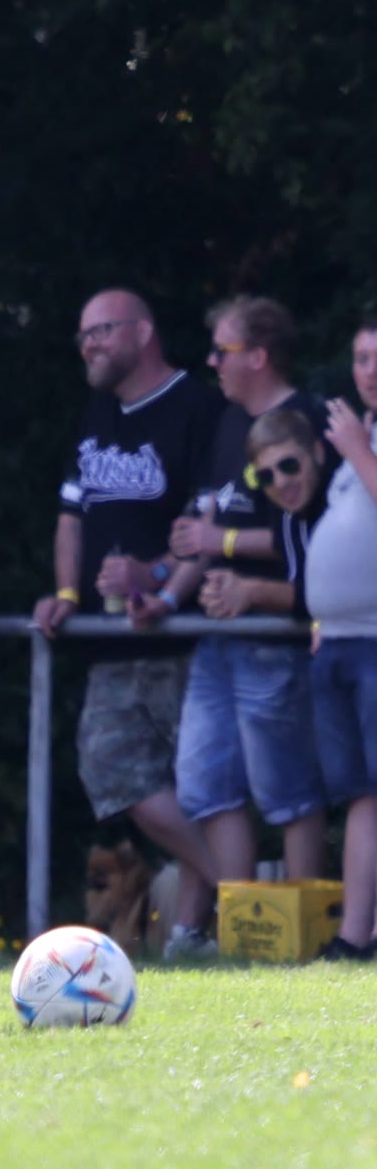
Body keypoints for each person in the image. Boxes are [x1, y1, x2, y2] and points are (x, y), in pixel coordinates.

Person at [30, 289, 224, 957]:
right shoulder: (96, 412)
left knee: (200, 787)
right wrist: (65, 592)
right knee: (112, 772)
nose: (88, 345)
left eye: (102, 331)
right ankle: (243, 888)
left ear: (142, 333)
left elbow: (209, 522)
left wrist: (157, 578)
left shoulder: (198, 407)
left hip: (179, 636)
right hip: (108, 641)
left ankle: (192, 935)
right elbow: (70, 516)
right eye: (82, 334)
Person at [167, 296, 329, 890]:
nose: (212, 362)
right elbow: (213, 523)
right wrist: (164, 587)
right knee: (203, 784)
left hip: (277, 635)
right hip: (217, 632)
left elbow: (313, 538)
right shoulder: (228, 422)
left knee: (288, 792)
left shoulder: (306, 423)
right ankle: (240, 925)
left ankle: (308, 929)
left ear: (258, 356)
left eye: (223, 350)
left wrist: (227, 547)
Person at [310, 314, 377, 959]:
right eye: (361, 358)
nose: (371, 371)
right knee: (359, 793)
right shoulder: (364, 436)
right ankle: (355, 937)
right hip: (337, 643)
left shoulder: (360, 443)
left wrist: (358, 449)